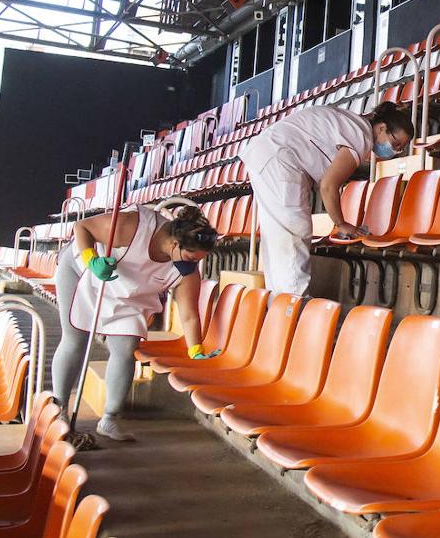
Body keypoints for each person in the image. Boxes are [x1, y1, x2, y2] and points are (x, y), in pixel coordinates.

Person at [50, 204, 218, 442]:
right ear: (174, 244)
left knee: (126, 348)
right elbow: (82, 227)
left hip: (129, 296)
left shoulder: (187, 272)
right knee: (75, 338)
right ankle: (60, 410)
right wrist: (92, 260)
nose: (193, 265)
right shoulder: (134, 225)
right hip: (85, 272)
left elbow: (189, 314)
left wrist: (196, 349)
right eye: (191, 257)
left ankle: (109, 418)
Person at [239, 100, 414, 297]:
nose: (395, 150)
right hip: (280, 161)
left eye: (400, 148)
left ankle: (280, 305)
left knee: (279, 240)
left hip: (268, 155)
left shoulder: (353, 123)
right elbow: (329, 186)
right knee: (294, 232)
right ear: (381, 128)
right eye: (395, 143)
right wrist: (340, 223)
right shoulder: (361, 136)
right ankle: (294, 306)